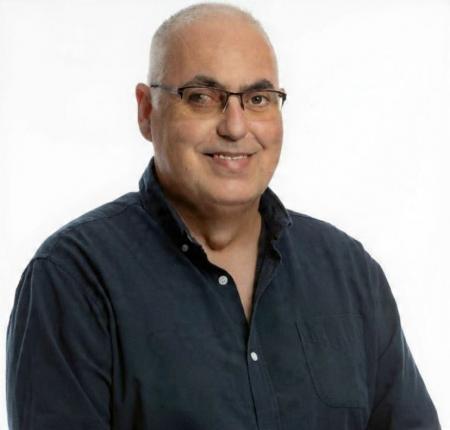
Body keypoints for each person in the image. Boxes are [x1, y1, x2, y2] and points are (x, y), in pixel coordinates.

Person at [6, 3, 441, 429]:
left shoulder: (350, 273)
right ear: (146, 111)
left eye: (258, 99)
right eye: (202, 97)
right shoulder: (74, 277)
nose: (235, 126)